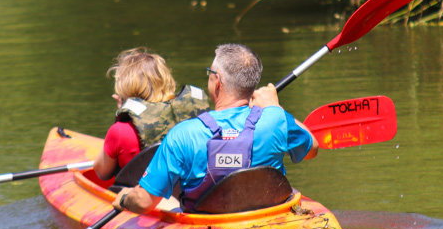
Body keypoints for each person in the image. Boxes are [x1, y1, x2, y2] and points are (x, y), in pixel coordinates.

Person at [112, 43, 318, 214]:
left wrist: (124, 198)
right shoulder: (275, 119)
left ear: (217, 81)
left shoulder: (183, 134)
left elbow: (143, 202)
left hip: (208, 226)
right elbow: (312, 149)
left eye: (210, 73)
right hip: (268, 219)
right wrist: (275, 106)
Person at [93, 48, 209, 181]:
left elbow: (101, 173)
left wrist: (121, 115)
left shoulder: (120, 130)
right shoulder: (196, 116)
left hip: (141, 199)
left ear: (124, 87)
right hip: (190, 196)